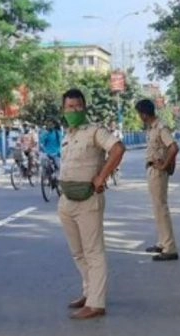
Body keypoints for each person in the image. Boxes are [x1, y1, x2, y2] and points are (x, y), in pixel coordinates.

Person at [59, 88, 125, 320]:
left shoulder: (94, 131)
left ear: (84, 107)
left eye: (78, 106)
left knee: (93, 251)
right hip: (66, 200)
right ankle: (89, 292)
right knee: (77, 252)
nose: (74, 110)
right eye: (70, 106)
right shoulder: (67, 135)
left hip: (88, 199)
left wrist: (101, 177)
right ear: (63, 110)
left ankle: (96, 303)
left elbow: (118, 149)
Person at [135, 99, 179, 261]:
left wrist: (165, 165)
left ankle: (170, 247)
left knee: (161, 208)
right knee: (157, 208)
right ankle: (162, 242)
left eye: (139, 114)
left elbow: (173, 147)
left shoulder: (161, 127)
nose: (139, 117)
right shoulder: (152, 128)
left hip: (157, 171)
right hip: (153, 169)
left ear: (144, 114)